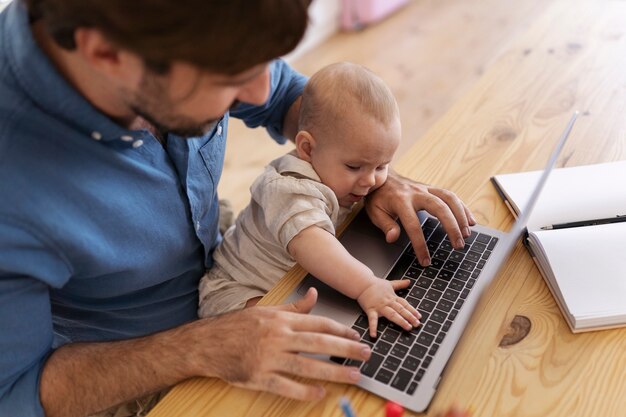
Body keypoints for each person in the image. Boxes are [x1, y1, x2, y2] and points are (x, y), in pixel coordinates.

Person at [0, 1, 476, 416]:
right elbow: (14, 392)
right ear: (107, 56)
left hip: (232, 261)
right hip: (125, 365)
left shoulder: (184, 44)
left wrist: (371, 176)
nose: (259, 91)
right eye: (231, 78)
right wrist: (195, 349)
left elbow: (292, 99)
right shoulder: (12, 189)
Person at [199, 62, 422, 338]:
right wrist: (366, 286)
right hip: (234, 291)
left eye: (381, 166)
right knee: (289, 333)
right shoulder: (289, 189)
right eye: (354, 167)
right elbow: (312, 244)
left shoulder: (338, 170)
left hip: (293, 277)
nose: (370, 181)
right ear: (307, 148)